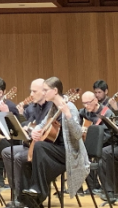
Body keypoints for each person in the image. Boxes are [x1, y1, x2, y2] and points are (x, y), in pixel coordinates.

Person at [21, 77, 89, 206]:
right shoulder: (53, 107)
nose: (44, 93)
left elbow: (78, 134)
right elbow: (43, 124)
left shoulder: (70, 107)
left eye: (46, 90)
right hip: (55, 151)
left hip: (69, 153)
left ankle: (38, 191)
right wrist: (36, 130)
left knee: (40, 147)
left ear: (55, 91)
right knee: (27, 163)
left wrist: (68, 115)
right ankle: (33, 199)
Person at [1, 78, 56, 208]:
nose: (31, 94)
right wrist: (26, 127)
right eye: (31, 91)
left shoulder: (51, 108)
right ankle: (17, 193)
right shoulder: (33, 107)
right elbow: (27, 122)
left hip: (46, 148)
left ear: (44, 92)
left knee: (19, 157)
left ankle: (26, 199)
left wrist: (32, 128)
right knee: (7, 152)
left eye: (34, 91)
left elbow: (46, 129)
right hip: (30, 145)